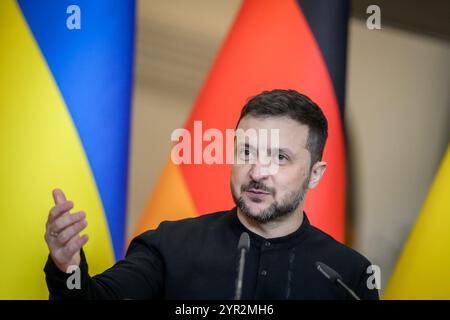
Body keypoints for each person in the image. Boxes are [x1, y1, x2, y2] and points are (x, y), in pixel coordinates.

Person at [44, 89, 379, 300]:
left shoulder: (348, 276)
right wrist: (67, 268)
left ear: (315, 174)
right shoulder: (169, 245)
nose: (257, 171)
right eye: (246, 152)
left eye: (279, 157)